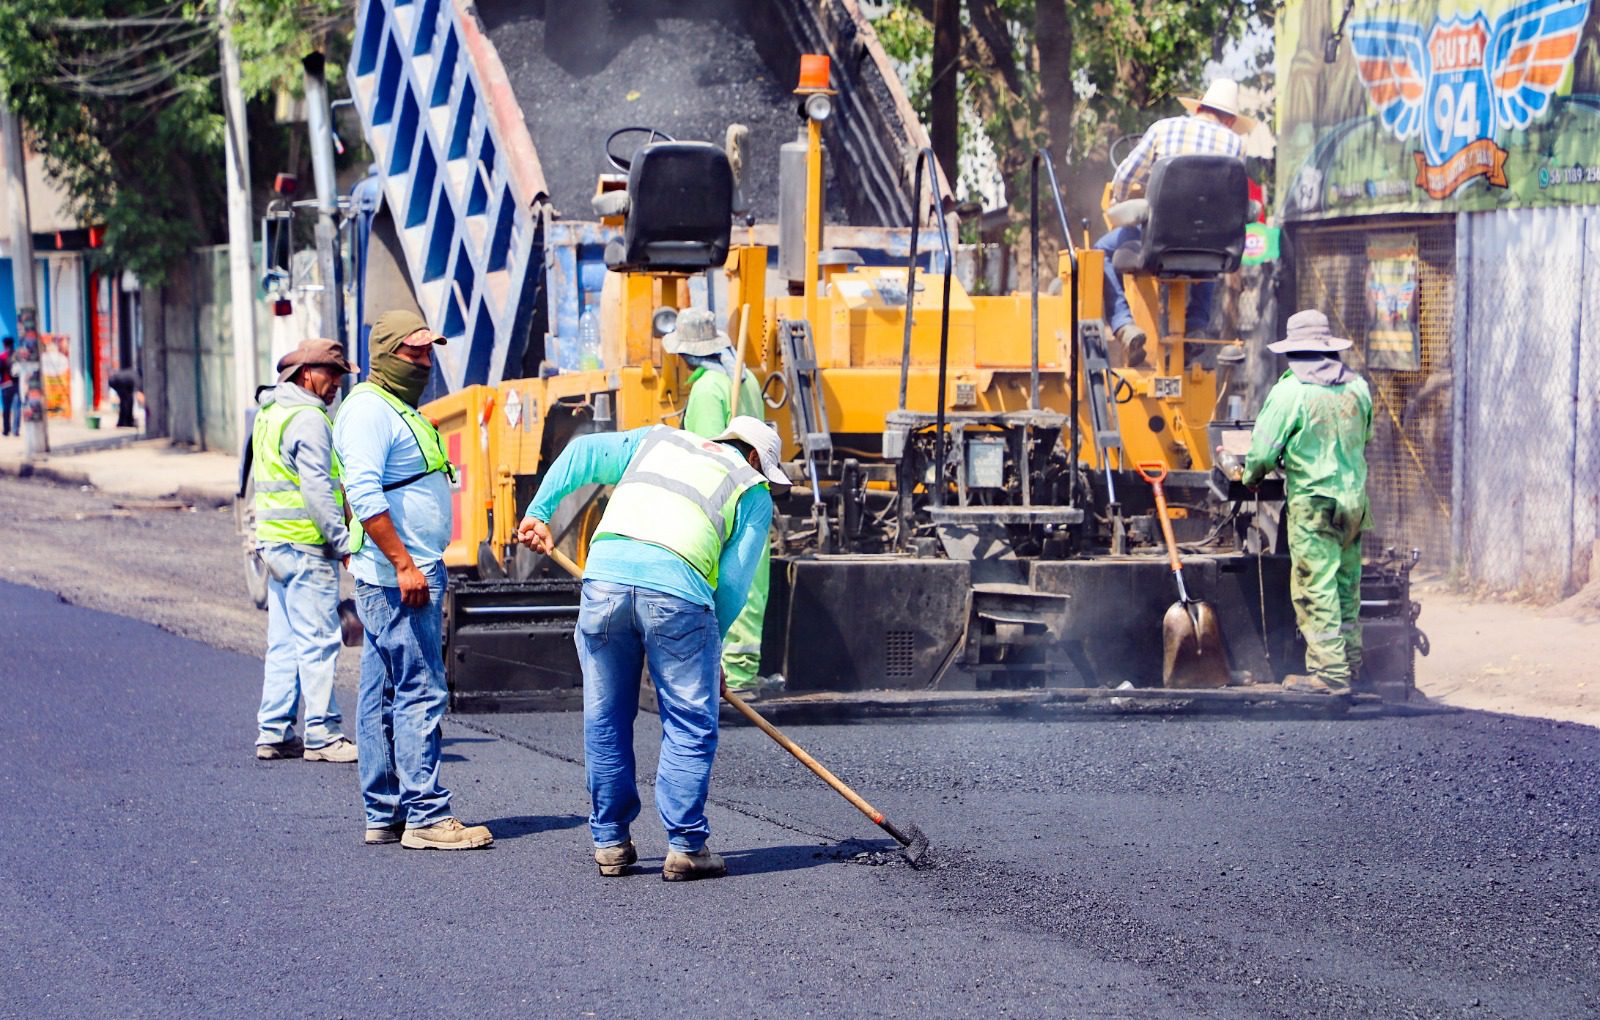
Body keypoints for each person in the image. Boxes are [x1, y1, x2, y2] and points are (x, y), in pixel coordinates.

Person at [516, 415, 788, 881]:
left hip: (605, 580)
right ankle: (685, 845)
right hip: (679, 594)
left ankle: (610, 842)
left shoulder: (658, 439)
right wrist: (711, 649)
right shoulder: (752, 488)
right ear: (755, 458)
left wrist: (538, 512)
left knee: (605, 716)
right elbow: (735, 587)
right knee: (687, 719)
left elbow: (581, 454)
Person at [333, 310, 493, 851]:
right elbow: (365, 494)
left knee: (381, 690)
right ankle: (425, 814)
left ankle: (385, 810)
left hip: (400, 572)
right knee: (420, 689)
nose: (425, 363)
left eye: (428, 352)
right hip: (402, 578)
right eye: (414, 353)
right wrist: (404, 564)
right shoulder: (369, 412)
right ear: (384, 355)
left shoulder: (395, 407)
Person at [1239, 309, 1373, 695]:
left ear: (1293, 352)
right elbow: (1365, 437)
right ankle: (1351, 665)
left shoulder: (1289, 392)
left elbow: (1263, 452)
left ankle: (1330, 674)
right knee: (1347, 584)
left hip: (1314, 504)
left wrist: (1250, 476)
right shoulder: (1358, 388)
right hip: (1354, 503)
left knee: (1317, 586)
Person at [252, 338, 360, 763]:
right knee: (318, 639)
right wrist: (343, 542)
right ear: (306, 375)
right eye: (330, 375)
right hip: (306, 545)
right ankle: (322, 733)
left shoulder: (270, 412)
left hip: (275, 545)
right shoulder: (309, 418)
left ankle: (274, 731)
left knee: (284, 642)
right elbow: (318, 491)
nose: (336, 384)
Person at [1095, 77, 1254, 365]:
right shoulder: (1236, 146)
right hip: (1211, 248)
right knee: (1208, 247)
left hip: (1158, 241)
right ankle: (1196, 324)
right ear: (1230, 121)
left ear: (1199, 109)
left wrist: (1120, 201)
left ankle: (1123, 323)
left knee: (1100, 252)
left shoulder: (1164, 129)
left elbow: (1125, 176)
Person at [667, 308, 772, 700]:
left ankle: (722, 672)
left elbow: (705, 449)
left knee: (718, 580)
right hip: (751, 488)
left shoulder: (708, 388)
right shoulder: (746, 378)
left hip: (720, 499)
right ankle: (745, 673)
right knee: (748, 580)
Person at [1, 336, 17, 436]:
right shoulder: (17, 356)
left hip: (6, 384)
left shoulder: (2, 356)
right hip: (16, 384)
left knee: (6, 409)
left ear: (4, 344)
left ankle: (6, 430)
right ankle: (16, 430)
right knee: (17, 408)